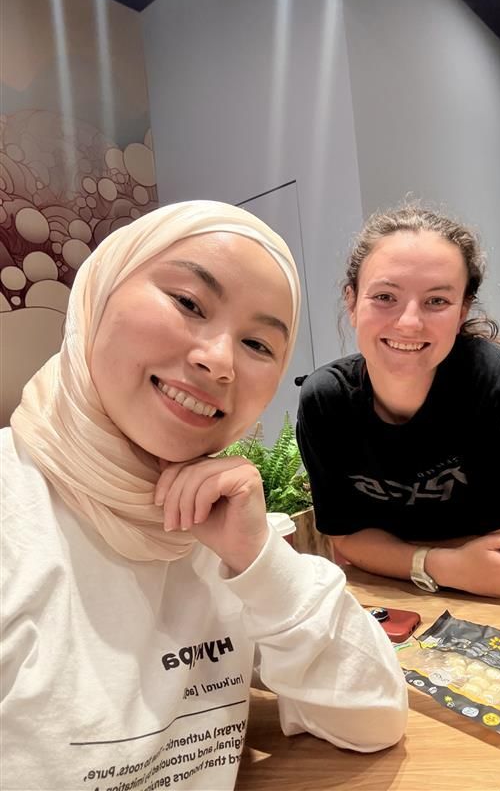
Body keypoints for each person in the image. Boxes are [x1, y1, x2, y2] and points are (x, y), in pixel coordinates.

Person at [1, 201, 407, 791]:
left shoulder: (220, 526)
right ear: (99, 292)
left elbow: (372, 717)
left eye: (258, 345)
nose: (219, 362)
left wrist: (259, 561)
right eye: (189, 303)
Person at [297, 205, 500, 637]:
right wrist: (446, 563)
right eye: (385, 297)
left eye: (437, 301)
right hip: (403, 601)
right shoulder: (326, 402)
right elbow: (346, 539)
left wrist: (392, 551)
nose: (409, 322)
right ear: (352, 301)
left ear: (461, 312)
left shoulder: (491, 382)